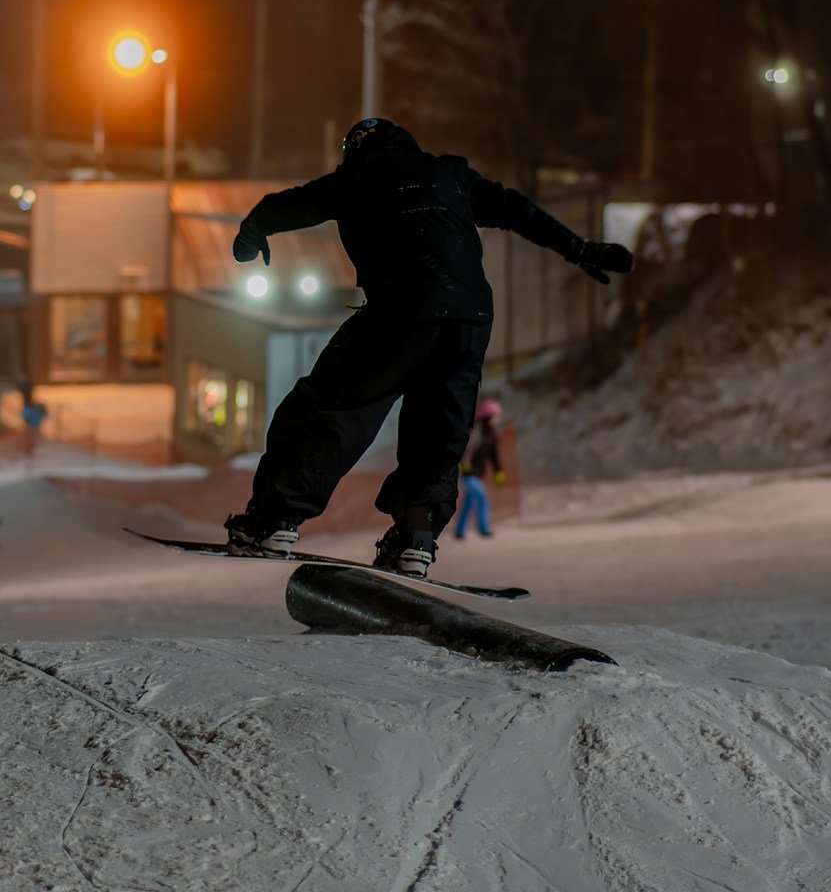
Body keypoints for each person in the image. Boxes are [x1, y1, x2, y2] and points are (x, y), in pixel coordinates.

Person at [224, 118, 633, 577]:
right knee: (438, 432)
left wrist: (253, 229)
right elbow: (517, 210)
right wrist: (580, 249)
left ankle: (273, 520)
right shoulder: (451, 175)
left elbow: (291, 205)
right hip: (470, 318)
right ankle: (414, 538)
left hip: (401, 311)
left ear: (355, 149)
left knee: (329, 411)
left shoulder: (358, 175)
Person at [455, 398, 504, 541]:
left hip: (478, 474)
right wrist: (463, 463)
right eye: (495, 416)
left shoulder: (492, 435)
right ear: (488, 416)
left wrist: (498, 471)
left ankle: (459, 531)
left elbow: (493, 456)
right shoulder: (477, 432)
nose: (497, 419)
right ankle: (484, 529)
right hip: (469, 474)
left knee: (468, 503)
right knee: (483, 499)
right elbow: (467, 449)